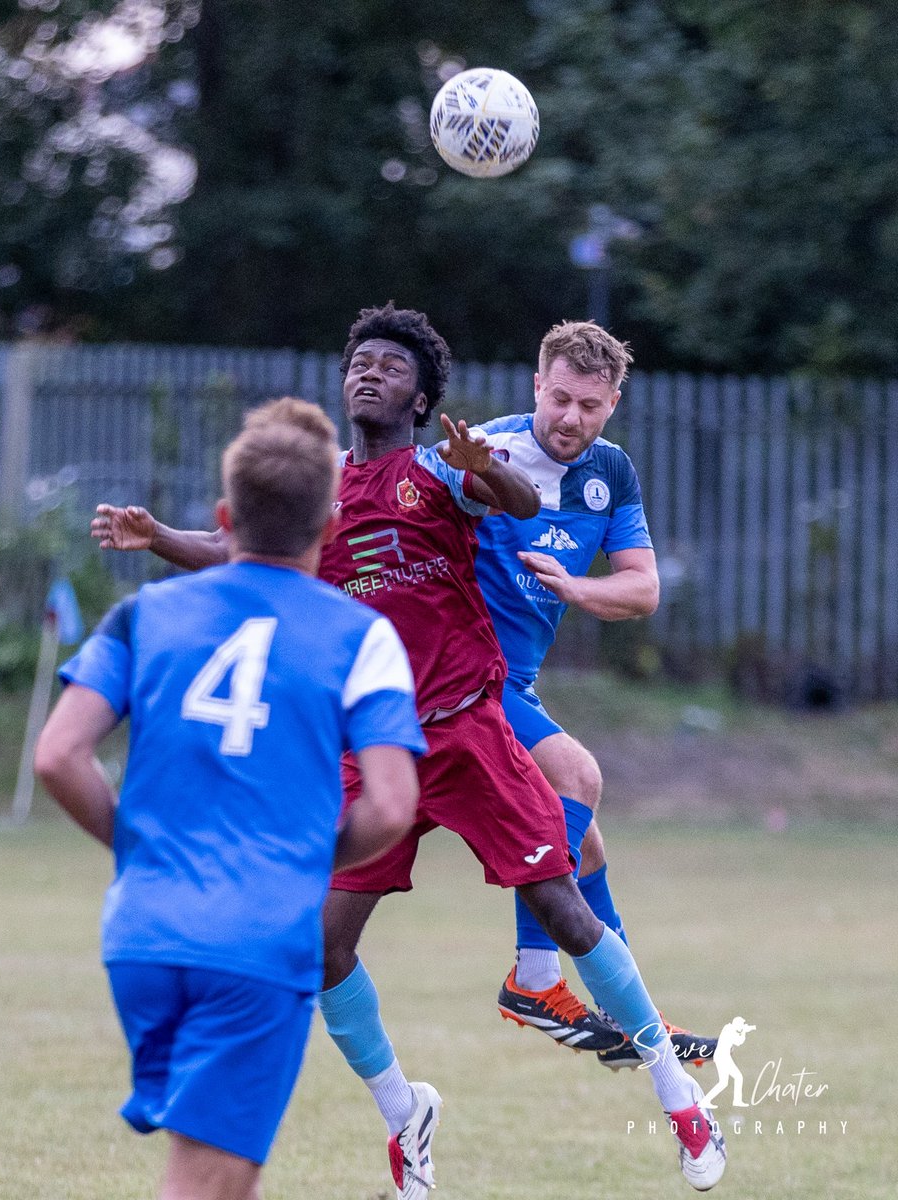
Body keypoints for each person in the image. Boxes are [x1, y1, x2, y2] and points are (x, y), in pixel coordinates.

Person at [91, 303, 727, 1196]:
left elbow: (507, 496)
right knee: (318, 951)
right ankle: (405, 1111)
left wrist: (486, 471)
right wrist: (154, 536)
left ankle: (678, 1094)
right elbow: (235, 553)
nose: (370, 372)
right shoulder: (320, 495)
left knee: (566, 907)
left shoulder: (439, 470)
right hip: (376, 748)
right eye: (361, 361)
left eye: (392, 365)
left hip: (471, 729)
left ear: (422, 397)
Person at [35, 397, 425, 1200]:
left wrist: (141, 843)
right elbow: (390, 806)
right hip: (254, 943)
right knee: (205, 1182)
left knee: (224, 1176)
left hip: (142, 936)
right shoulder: (361, 636)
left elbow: (58, 755)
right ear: (329, 525)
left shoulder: (143, 615)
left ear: (223, 517)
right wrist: (301, 857)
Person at [466, 321, 718, 1070]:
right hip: (463, 677)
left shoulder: (612, 471)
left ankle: (631, 1020)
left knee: (586, 841)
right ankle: (536, 978)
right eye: (561, 398)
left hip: (515, 684)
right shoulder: (485, 450)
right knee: (576, 778)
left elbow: (642, 589)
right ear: (537, 385)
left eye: (591, 405)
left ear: (613, 403)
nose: (572, 418)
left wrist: (577, 585)